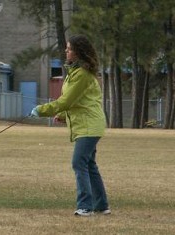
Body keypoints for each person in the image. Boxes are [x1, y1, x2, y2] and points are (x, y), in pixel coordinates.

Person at [30, 35, 110, 217]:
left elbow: (66, 100)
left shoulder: (81, 74)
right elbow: (77, 102)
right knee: (89, 165)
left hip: (89, 126)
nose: (66, 51)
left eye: (69, 49)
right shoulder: (75, 73)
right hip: (88, 124)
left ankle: (85, 207)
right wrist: (63, 116)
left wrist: (41, 110)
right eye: (66, 49)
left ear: (79, 52)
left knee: (78, 163)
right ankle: (101, 205)